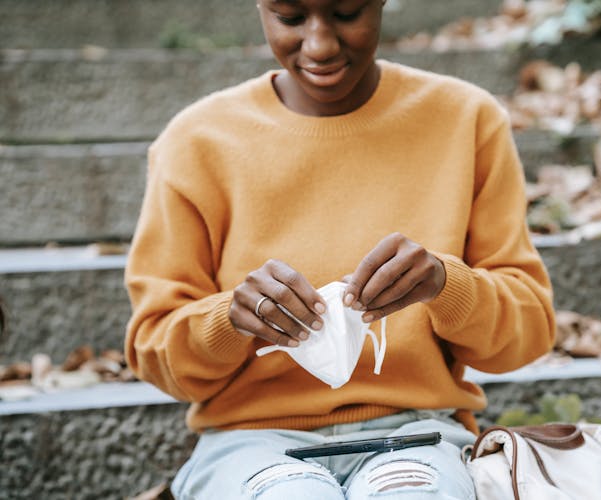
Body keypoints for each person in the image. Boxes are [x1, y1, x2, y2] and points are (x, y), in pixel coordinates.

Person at [124, 0, 555, 498]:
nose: (320, 44)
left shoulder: (467, 120)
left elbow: (529, 333)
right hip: (250, 441)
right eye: (289, 18)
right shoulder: (197, 142)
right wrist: (229, 320)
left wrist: (446, 284)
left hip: (417, 433)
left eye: (347, 12)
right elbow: (154, 352)